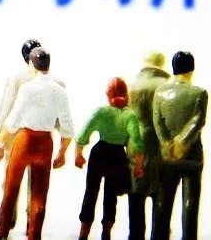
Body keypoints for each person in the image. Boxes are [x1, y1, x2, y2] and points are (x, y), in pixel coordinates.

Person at [0, 47, 74, 240]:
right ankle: (34, 234)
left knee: (11, 187)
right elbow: (67, 128)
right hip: (45, 143)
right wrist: (62, 153)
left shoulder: (27, 88)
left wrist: (0, 144)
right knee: (40, 193)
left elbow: (13, 120)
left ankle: (2, 231)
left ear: (32, 65)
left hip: (25, 140)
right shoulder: (60, 90)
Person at [74, 77, 144, 240]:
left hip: (99, 154)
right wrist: (138, 166)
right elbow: (137, 143)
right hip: (117, 156)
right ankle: (106, 232)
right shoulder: (130, 115)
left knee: (91, 192)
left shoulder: (101, 112)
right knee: (111, 195)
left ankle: (84, 232)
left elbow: (83, 135)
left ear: (109, 94)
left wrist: (78, 155)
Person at [152, 51, 207, 240]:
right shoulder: (199, 93)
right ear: (192, 69)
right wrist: (181, 143)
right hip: (192, 156)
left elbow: (157, 122)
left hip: (167, 156)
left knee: (163, 202)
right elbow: (198, 121)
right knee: (190, 203)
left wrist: (168, 144)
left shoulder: (160, 93)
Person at [127, 52, 170, 240]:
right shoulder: (167, 87)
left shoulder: (132, 85)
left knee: (136, 196)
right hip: (160, 147)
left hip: (135, 146)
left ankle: (135, 235)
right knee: (160, 198)